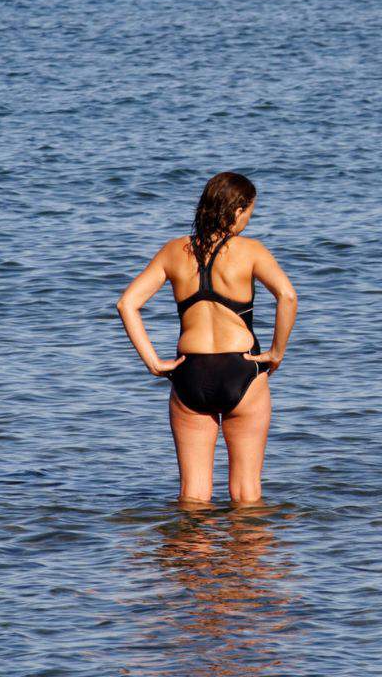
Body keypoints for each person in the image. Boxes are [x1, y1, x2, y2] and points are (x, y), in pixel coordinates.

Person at [117, 172, 297, 506]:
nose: (249, 220)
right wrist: (276, 352)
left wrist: (153, 363)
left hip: (189, 374)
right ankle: (243, 557)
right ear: (237, 209)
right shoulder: (251, 251)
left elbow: (127, 304)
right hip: (242, 371)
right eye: (249, 212)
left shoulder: (173, 251)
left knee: (193, 495)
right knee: (246, 494)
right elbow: (287, 296)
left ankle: (189, 556)